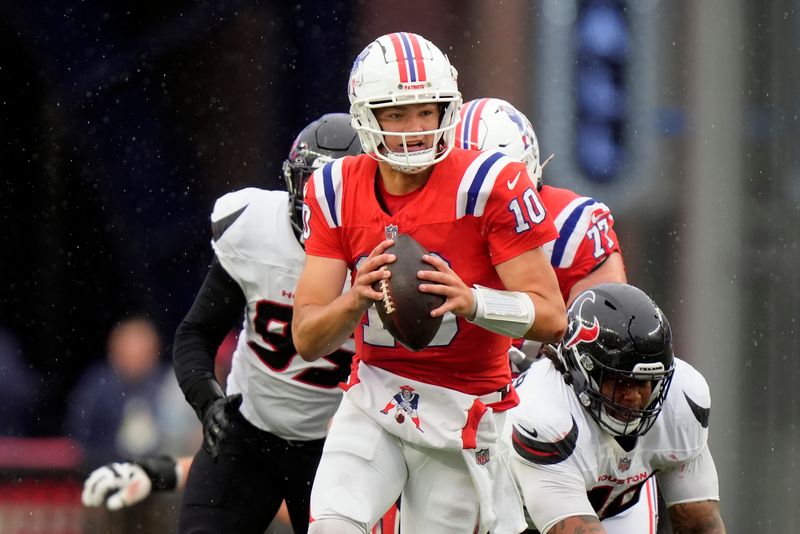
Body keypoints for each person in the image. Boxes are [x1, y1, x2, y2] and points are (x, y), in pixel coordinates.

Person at [292, 32, 566, 534]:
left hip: (463, 414)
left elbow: (552, 317)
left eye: (426, 110)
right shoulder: (333, 188)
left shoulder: (489, 184)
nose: (414, 129)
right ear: (365, 117)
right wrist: (355, 298)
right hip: (375, 396)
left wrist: (473, 302)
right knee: (332, 524)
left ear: (448, 110)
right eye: (395, 114)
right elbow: (307, 339)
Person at [81, 114, 363, 533]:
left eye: (335, 191)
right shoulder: (252, 228)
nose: (319, 204)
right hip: (250, 434)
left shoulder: (383, 255)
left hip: (340, 446)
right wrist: (208, 401)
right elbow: (195, 334)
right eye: (313, 188)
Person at [503, 283, 726, 533]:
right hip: (511, 519)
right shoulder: (544, 412)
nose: (633, 396)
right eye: (620, 381)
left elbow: (700, 523)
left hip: (618, 509)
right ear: (581, 369)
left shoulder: (682, 398)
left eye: (644, 382)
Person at [65, 316, 192, 466]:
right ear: (113, 350)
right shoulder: (97, 387)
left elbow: (183, 438)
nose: (135, 355)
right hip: (107, 470)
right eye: (129, 347)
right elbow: (78, 435)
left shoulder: (172, 385)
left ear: (155, 350)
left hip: (160, 475)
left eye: (142, 348)